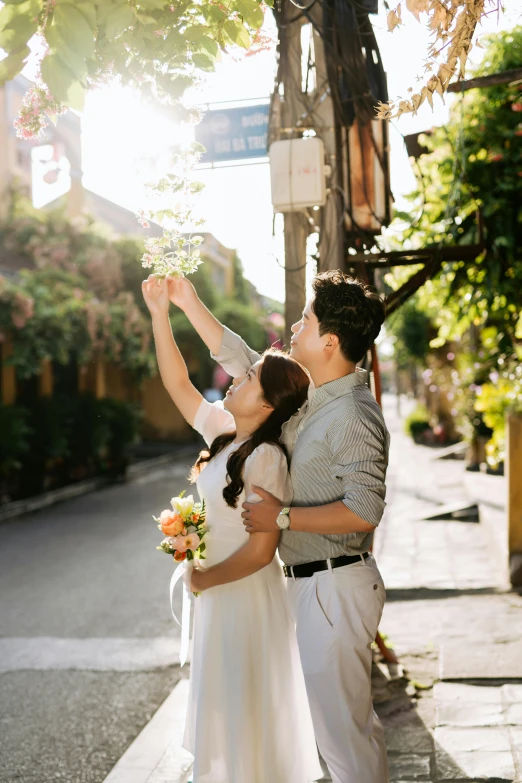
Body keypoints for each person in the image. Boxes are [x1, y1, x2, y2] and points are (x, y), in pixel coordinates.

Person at [167, 270, 390, 783]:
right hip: (308, 585)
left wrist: (282, 517)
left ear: (329, 341)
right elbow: (243, 361)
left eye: (306, 320)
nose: (295, 325)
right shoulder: (311, 396)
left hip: (334, 584)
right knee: (332, 735)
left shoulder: (354, 414)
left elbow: (364, 509)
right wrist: (188, 300)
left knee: (344, 739)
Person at [141, 274, 322, 783]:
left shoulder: (267, 458)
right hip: (219, 594)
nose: (234, 380)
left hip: (241, 594)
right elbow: (178, 384)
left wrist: (202, 580)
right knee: (222, 710)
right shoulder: (225, 430)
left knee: (245, 711)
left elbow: (263, 551)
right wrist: (160, 314)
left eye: (247, 380)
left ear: (266, 406)